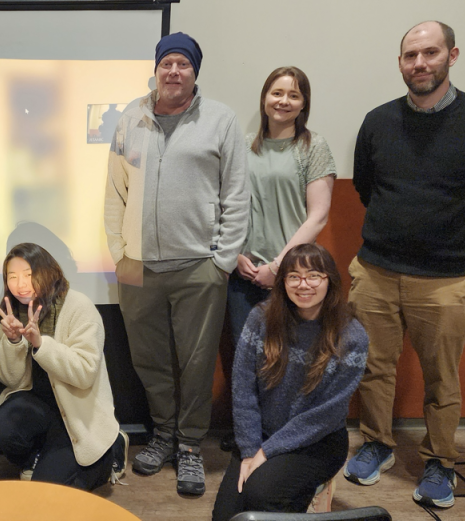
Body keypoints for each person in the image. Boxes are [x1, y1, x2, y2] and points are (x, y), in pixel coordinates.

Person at [343, 21, 465, 509]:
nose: (420, 63)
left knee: (442, 379)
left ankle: (440, 460)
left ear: (452, 55)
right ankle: (377, 444)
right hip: (375, 272)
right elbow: (366, 187)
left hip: (445, 280)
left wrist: (450, 229)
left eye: (430, 53)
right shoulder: (378, 121)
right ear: (400, 63)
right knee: (373, 368)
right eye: (410, 55)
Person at [104, 31, 249, 496]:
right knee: (149, 360)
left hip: (199, 266)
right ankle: (163, 435)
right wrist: (119, 252)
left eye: (182, 64)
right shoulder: (131, 118)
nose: (173, 71)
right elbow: (115, 191)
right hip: (136, 266)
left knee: (196, 361)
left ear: (194, 71)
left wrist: (222, 261)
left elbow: (236, 195)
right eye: (166, 63)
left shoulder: (221, 120)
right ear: (156, 69)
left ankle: (189, 445)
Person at [224, 66, 337, 450]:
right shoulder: (243, 145)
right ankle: (248, 435)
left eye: (293, 95)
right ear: (264, 98)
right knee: (246, 359)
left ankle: (284, 437)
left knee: (290, 358)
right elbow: (226, 204)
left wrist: (279, 267)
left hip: (292, 276)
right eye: (277, 92)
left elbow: (317, 216)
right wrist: (235, 254)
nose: (283, 101)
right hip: (243, 272)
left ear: (304, 103)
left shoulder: (313, 147)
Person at [212, 244, 368, 521]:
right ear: (282, 282)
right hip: (261, 434)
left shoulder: (351, 336)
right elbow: (243, 390)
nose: (303, 284)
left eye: (314, 276)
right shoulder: (261, 318)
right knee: (226, 516)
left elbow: (326, 414)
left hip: (317, 441)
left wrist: (266, 453)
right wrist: (249, 451)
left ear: (330, 280)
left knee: (261, 493)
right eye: (293, 276)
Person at [0, 243, 129, 490]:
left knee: (53, 493)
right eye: (12, 276)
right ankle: (37, 454)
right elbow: (11, 380)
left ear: (48, 272)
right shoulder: (12, 315)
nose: (20, 284)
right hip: (38, 407)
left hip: (76, 412)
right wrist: (13, 341)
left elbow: (85, 373)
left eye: (29, 275)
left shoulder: (78, 307)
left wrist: (41, 344)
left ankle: (112, 446)